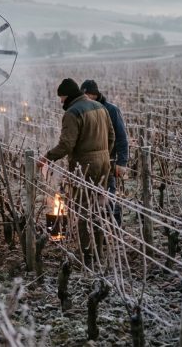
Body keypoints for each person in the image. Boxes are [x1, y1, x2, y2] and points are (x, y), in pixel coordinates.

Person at [38, 78, 114, 262]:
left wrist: (46, 158)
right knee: (98, 206)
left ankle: (86, 253)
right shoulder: (99, 106)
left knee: (82, 208)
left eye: (62, 97)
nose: (61, 102)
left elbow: (66, 144)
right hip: (104, 162)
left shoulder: (73, 113)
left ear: (69, 96)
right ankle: (99, 251)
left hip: (84, 166)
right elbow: (111, 136)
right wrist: (103, 155)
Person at [81, 79, 128, 225]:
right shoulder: (85, 110)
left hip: (108, 162)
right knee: (92, 198)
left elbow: (122, 137)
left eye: (87, 96)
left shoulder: (111, 110)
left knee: (108, 197)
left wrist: (122, 162)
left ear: (94, 94)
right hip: (89, 164)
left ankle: (114, 230)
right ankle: (97, 228)